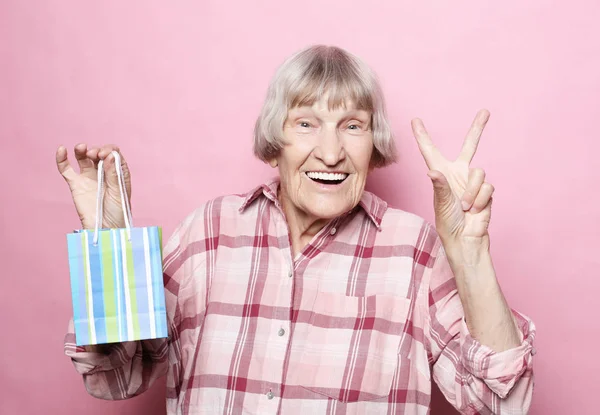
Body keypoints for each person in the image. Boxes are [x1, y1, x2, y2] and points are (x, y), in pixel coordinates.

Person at [56, 45, 535, 414]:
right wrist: (111, 242)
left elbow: (502, 401)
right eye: (306, 123)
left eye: (352, 126)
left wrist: (469, 251)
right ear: (273, 143)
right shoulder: (209, 233)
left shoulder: (414, 251)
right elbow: (116, 375)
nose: (330, 152)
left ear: (374, 145)